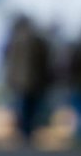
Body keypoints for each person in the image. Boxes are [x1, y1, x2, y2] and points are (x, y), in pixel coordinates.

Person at [4, 15, 51, 145]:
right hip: (33, 81)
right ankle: (27, 131)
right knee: (28, 107)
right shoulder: (37, 41)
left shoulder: (15, 41)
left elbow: (10, 63)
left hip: (23, 81)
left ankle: (25, 131)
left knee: (23, 107)